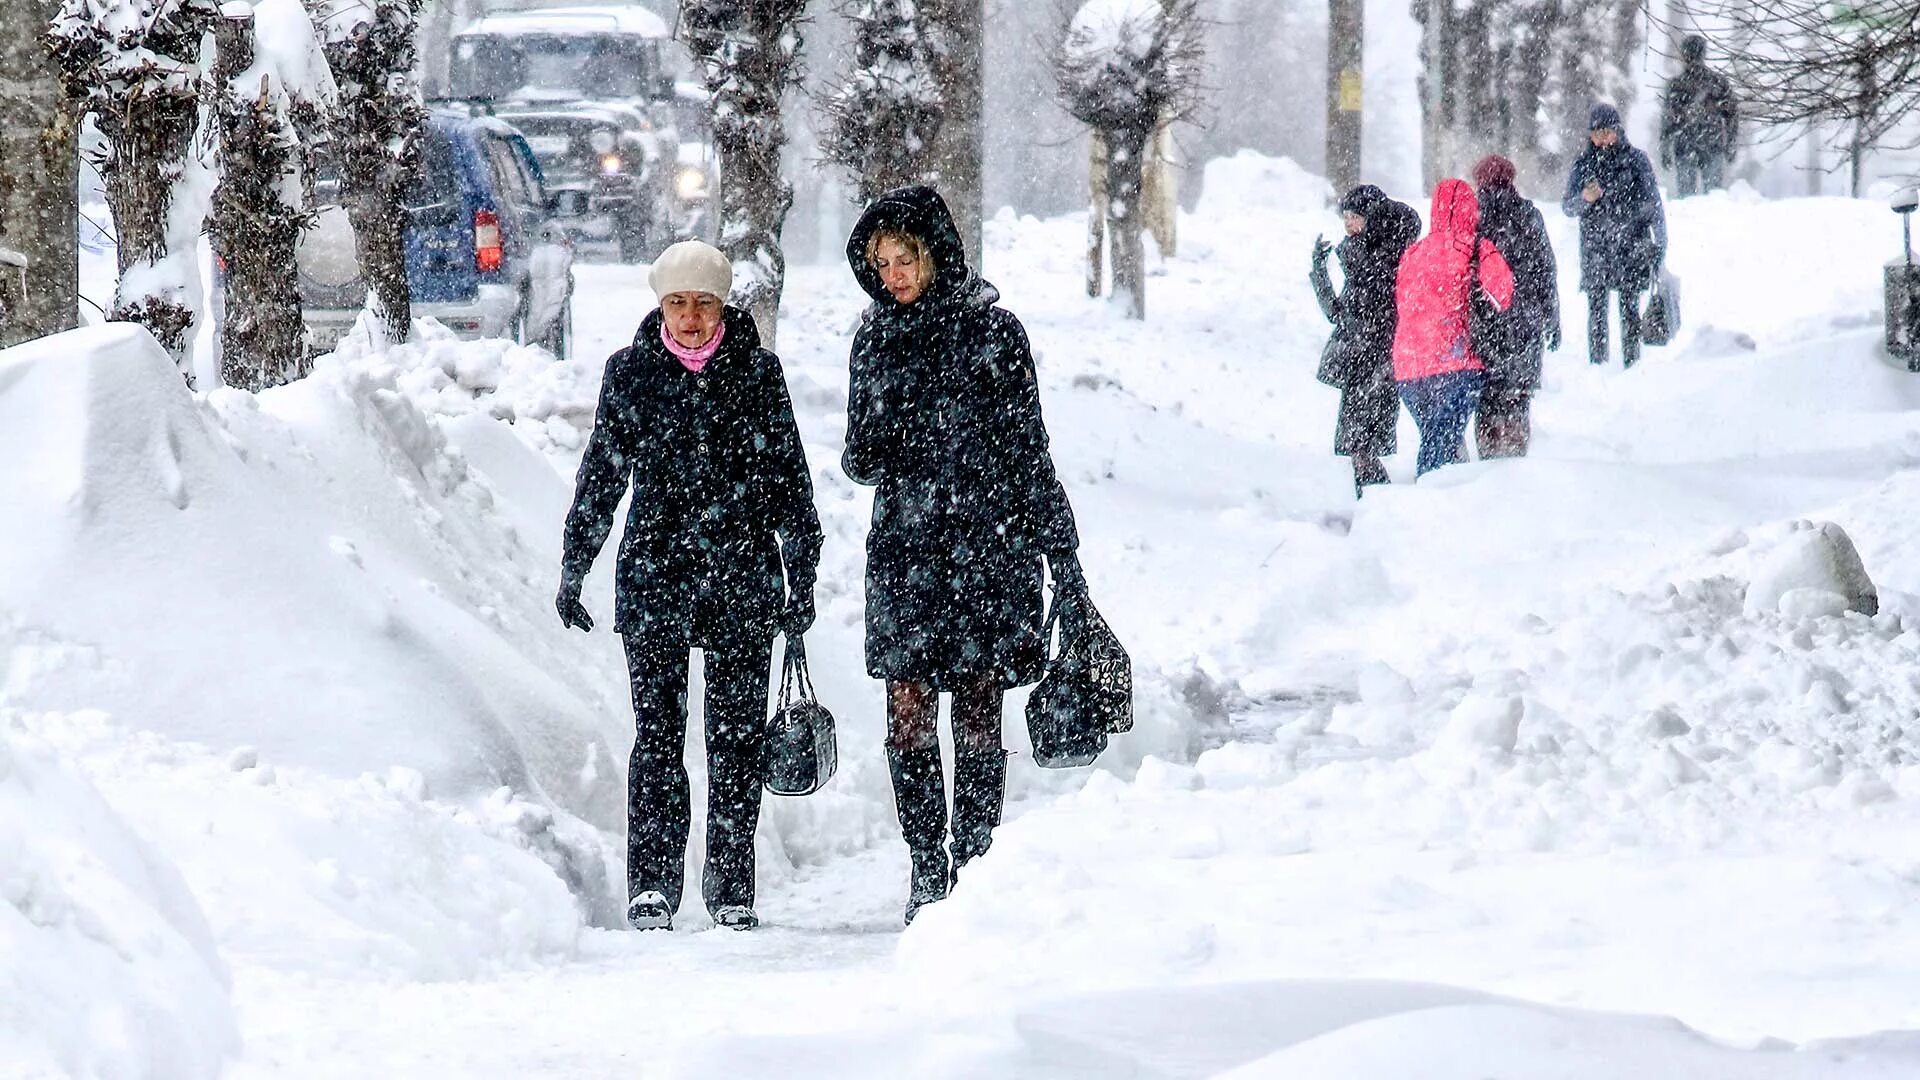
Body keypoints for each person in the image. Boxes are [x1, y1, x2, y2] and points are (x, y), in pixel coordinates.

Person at [557, 240, 822, 933]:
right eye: (679, 303)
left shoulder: (758, 375)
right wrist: (575, 563)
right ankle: (652, 885)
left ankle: (732, 884)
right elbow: (602, 476)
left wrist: (802, 575)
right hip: (656, 577)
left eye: (705, 302)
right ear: (660, 305)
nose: (692, 317)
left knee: (735, 742)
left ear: (724, 303)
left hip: (741, 576)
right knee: (658, 737)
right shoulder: (631, 374)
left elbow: (790, 484)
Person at [842, 185, 1085, 926]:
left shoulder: (994, 333)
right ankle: (925, 861)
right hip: (908, 546)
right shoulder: (873, 337)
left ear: (934, 254)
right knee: (907, 708)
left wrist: (1061, 552)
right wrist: (882, 416)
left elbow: (1027, 445)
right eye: (881, 264)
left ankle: (976, 854)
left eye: (905, 258)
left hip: (988, 543)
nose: (894, 276)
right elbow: (860, 460)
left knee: (980, 707)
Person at [1391, 178, 1515, 476]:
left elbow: (1403, 302)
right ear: (1470, 210)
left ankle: (1450, 500)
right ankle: (1430, 506)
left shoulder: (1414, 252)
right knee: (1441, 444)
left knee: (1436, 436)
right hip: (1456, 361)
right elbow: (1503, 295)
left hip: (1409, 366)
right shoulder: (1476, 247)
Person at [1310, 185, 1421, 496]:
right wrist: (1319, 272)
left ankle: (1377, 500)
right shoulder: (1360, 255)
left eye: (1354, 216)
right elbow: (1337, 313)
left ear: (1370, 217)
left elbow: (1373, 311)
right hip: (1359, 360)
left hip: (1376, 361)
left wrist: (1348, 260)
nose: (1348, 224)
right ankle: (1373, 499)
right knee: (1357, 445)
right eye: (1345, 216)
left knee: (1362, 443)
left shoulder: (1385, 257)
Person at [1562, 103, 1666, 369]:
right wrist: (1585, 199)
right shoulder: (1583, 164)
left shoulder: (1636, 161)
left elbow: (1653, 204)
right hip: (1596, 247)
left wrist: (1659, 243)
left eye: (1606, 132)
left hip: (1630, 246)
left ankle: (1632, 365)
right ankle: (1597, 366)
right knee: (1596, 309)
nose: (1602, 138)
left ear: (1617, 131)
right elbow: (1568, 206)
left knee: (1629, 308)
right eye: (1596, 133)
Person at [1471, 154, 1560, 458]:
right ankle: (1515, 462)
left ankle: (1488, 460)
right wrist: (1551, 314)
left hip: (1486, 320)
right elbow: (1546, 269)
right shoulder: (1528, 214)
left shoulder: (1473, 218)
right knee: (1518, 397)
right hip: (1526, 320)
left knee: (1487, 396)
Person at [1660, 36, 1739, 197]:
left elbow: (1668, 119)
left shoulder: (1676, 85)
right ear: (1704, 53)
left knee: (1687, 200)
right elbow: (1731, 115)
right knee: (1714, 197)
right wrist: (1730, 143)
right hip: (1712, 143)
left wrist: (1665, 148)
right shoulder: (1718, 82)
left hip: (1684, 145)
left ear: (1684, 54)